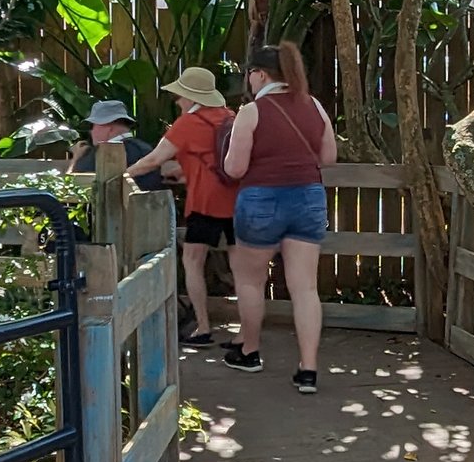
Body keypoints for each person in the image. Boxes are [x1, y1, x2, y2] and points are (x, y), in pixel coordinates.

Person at [220, 35, 337, 390]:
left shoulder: (252, 112)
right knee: (305, 289)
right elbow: (328, 157)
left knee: (251, 280)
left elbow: (235, 168)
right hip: (308, 198)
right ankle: (308, 369)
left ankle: (250, 351)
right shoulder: (314, 106)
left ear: (259, 75)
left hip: (261, 200)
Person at [126, 66, 236, 346]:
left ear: (191, 97)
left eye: (180, 96)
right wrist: (187, 172)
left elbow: (153, 160)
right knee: (244, 269)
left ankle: (203, 327)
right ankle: (246, 338)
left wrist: (122, 175)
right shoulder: (229, 117)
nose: (177, 101)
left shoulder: (188, 123)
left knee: (192, 261)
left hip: (205, 203)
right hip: (238, 200)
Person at [67, 98, 160, 178]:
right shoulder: (145, 150)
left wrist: (76, 158)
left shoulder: (98, 154)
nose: (91, 131)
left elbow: (68, 188)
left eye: (93, 126)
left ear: (109, 128)